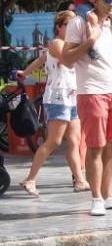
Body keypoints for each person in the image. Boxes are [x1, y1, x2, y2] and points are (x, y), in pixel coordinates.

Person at [62, 0, 112, 216]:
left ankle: (109, 195)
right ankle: (96, 199)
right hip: (91, 92)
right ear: (95, 0)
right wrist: (89, 42)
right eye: (108, 0)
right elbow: (66, 59)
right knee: (95, 146)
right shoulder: (79, 23)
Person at [15, 11, 88, 196]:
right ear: (59, 27)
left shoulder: (70, 45)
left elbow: (40, 60)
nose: (73, 29)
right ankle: (30, 179)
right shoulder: (57, 43)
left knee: (74, 141)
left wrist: (24, 72)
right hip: (58, 96)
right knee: (54, 141)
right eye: (68, 25)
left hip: (72, 96)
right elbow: (66, 60)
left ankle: (79, 180)